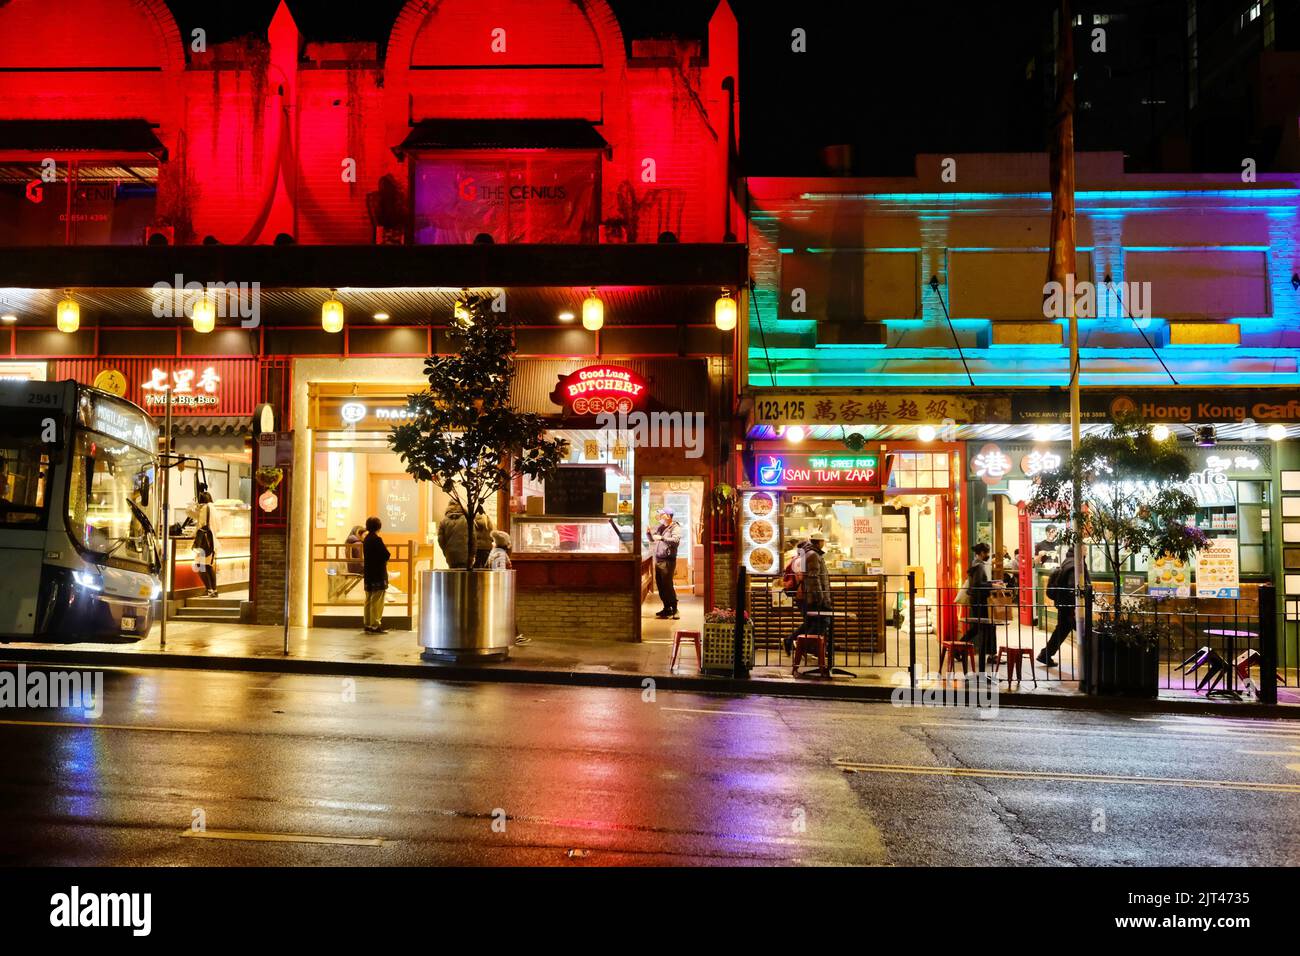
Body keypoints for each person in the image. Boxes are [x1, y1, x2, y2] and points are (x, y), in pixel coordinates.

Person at [1038, 550, 1089, 667]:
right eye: (1085, 549)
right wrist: (1075, 607)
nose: (1086, 552)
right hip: (1070, 606)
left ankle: (1045, 654)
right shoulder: (1075, 565)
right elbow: (1072, 587)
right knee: (1085, 631)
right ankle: (1091, 660)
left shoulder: (1067, 562)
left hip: (1064, 603)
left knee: (1062, 630)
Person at [793, 532, 833, 673]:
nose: (824, 543)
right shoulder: (813, 555)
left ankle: (804, 647)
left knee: (813, 624)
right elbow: (814, 578)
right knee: (822, 623)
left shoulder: (811, 554)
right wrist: (820, 598)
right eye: (823, 541)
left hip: (816, 597)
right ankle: (806, 648)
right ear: (819, 542)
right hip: (818, 598)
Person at [961, 542, 997, 670]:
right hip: (979, 601)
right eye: (987, 553)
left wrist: (992, 583)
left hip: (976, 600)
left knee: (977, 627)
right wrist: (992, 585)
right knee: (987, 626)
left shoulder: (975, 563)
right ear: (982, 553)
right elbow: (977, 584)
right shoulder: (979, 566)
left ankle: (959, 649)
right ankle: (990, 655)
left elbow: (979, 583)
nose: (988, 555)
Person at [648, 507, 683, 619]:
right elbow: (653, 539)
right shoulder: (661, 527)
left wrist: (662, 538)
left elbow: (676, 541)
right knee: (661, 586)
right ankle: (667, 608)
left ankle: (675, 609)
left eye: (662, 514)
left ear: (668, 516)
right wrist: (649, 534)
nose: (660, 517)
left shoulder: (675, 527)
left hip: (668, 561)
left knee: (667, 585)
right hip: (658, 559)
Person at [362, 516, 390, 634]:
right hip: (378, 573)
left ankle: (367, 624)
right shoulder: (377, 540)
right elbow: (386, 555)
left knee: (368, 599)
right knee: (377, 600)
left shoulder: (366, 539)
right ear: (379, 527)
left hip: (368, 573)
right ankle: (375, 624)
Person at [193, 490, 219, 597]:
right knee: (208, 566)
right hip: (213, 541)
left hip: (205, 541)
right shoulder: (215, 509)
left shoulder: (204, 509)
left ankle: (209, 590)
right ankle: (214, 590)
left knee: (199, 565)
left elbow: (200, 525)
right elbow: (219, 527)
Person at [437, 500, 471, 569]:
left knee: (452, 576)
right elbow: (473, 538)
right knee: (465, 577)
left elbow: (440, 540)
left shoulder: (444, 521)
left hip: (451, 554)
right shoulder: (467, 520)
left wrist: (446, 552)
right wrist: (472, 555)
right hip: (465, 554)